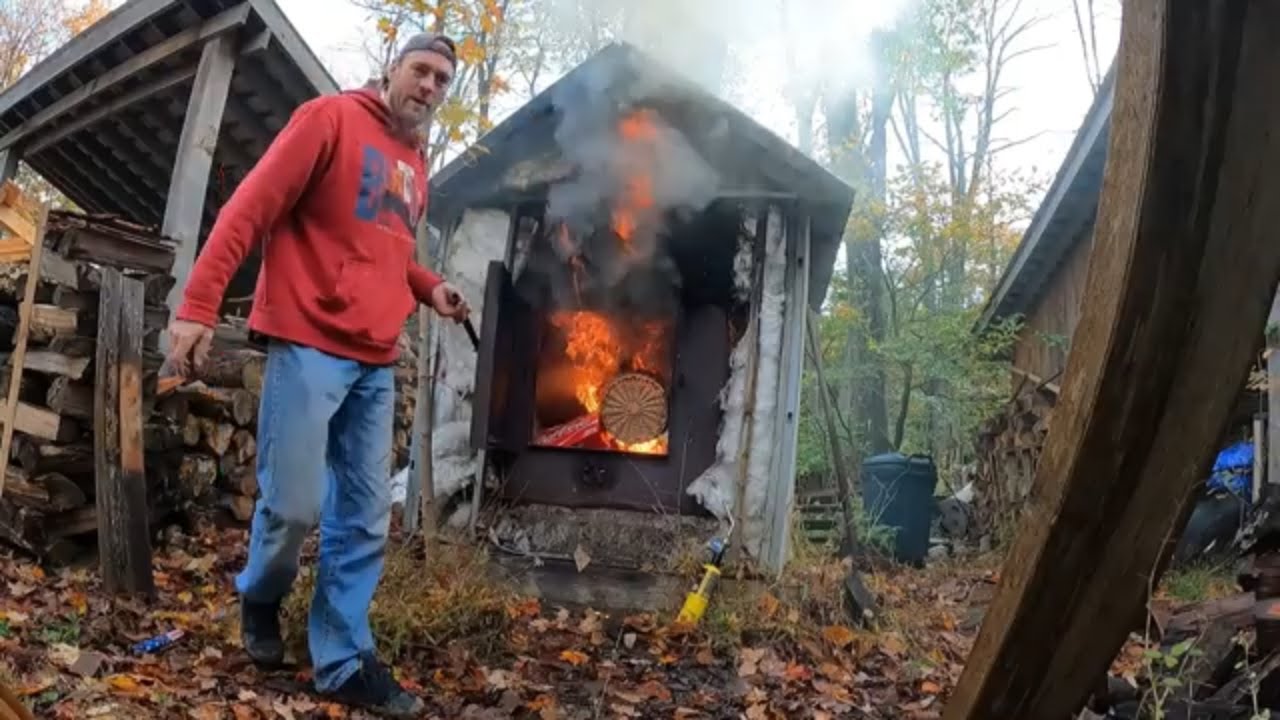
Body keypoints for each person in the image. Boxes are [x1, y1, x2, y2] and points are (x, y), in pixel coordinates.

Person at [165, 33, 469, 717]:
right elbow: (249, 208)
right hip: (308, 342)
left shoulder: (415, 163)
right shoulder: (328, 120)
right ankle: (261, 594)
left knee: (363, 517)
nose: (429, 87)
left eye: (442, 80)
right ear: (393, 68)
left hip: (376, 359)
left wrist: (430, 288)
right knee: (294, 506)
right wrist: (198, 305)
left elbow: (389, 252)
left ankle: (342, 660)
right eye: (421, 71)